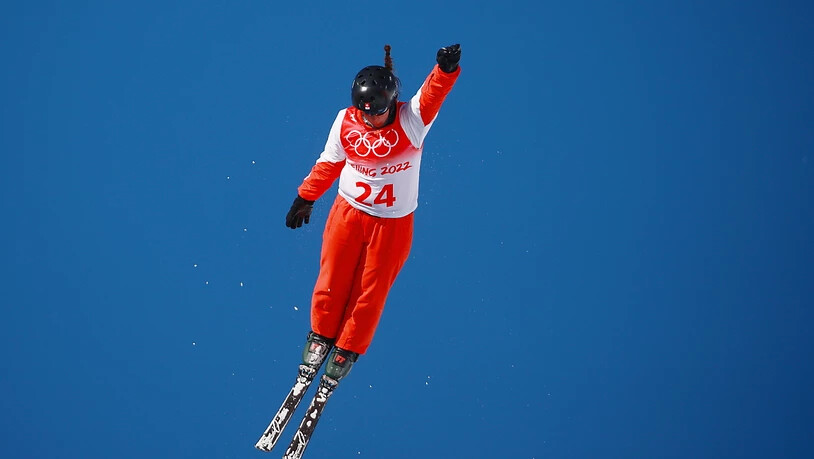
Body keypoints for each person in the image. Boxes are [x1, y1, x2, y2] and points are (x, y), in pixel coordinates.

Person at [285, 43, 461, 382]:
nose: (370, 119)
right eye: (365, 113)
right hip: (348, 213)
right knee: (333, 276)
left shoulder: (412, 120)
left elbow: (433, 94)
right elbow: (330, 161)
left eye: (377, 113)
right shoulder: (346, 122)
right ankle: (321, 336)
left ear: (391, 103)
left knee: (370, 290)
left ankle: (347, 347)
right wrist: (306, 197)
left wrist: (445, 70)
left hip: (392, 225)